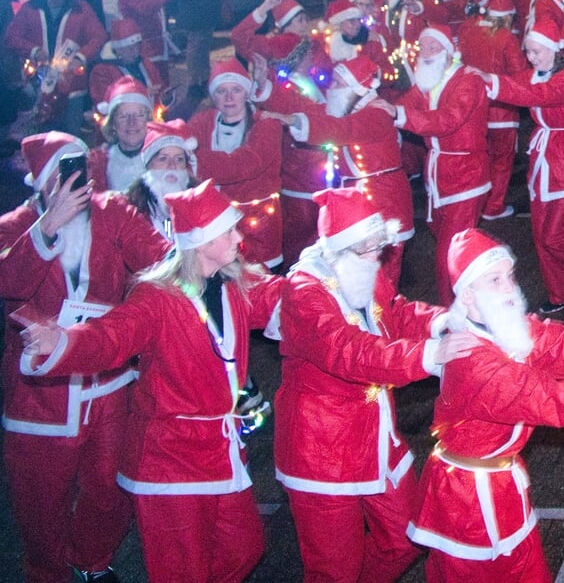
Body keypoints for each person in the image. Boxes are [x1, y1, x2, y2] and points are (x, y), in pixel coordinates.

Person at [18, 181, 288, 583]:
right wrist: (61, 342)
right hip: (168, 458)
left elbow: (285, 295)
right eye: (227, 230)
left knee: (244, 547)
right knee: (182, 569)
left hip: (220, 447)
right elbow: (111, 336)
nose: (238, 236)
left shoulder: (235, 284)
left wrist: (328, 269)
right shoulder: (157, 298)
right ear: (199, 241)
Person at [408, 229, 564, 582]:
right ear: (469, 298)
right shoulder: (473, 361)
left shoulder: (503, 326)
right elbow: (549, 399)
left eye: (509, 276)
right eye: (494, 280)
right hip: (468, 504)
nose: (509, 288)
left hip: (496, 485)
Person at [276, 188, 476, 583]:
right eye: (370, 249)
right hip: (322, 449)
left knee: (405, 538)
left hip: (376, 436)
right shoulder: (304, 292)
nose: (379, 257)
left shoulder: (361, 268)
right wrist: (428, 356)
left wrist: (443, 321)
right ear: (342, 248)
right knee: (334, 568)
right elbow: (349, 351)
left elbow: (395, 313)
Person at [0, 132, 171, 583]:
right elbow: (8, 282)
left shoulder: (113, 211)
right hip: (41, 387)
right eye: (61, 169)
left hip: (108, 374)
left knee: (109, 484)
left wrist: (191, 256)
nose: (75, 178)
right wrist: (47, 227)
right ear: (41, 181)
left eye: (78, 165)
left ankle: (91, 560)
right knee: (40, 493)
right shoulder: (16, 225)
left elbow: (156, 254)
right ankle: (48, 570)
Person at [483, 12, 564, 313]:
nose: (530, 57)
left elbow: (538, 94)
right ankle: (563, 293)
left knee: (557, 236)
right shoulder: (536, 73)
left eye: (536, 51)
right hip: (544, 160)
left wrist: (492, 84)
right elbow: (518, 83)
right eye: (528, 51)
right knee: (541, 234)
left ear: (554, 48)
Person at [389, 26, 496, 304]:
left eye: (432, 47)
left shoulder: (468, 81)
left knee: (449, 250)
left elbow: (448, 120)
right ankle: (475, 297)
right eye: (422, 47)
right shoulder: (429, 78)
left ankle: (455, 313)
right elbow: (405, 102)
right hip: (438, 174)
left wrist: (399, 115)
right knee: (442, 236)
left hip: (466, 174)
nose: (425, 53)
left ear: (448, 51)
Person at [189, 59, 289, 269]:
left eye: (236, 89)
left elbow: (247, 164)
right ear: (212, 95)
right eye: (221, 91)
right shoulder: (202, 122)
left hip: (258, 225)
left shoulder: (266, 123)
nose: (229, 98)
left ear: (246, 92)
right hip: (215, 227)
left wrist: (193, 159)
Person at [4, 0, 105, 134]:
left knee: (71, 135)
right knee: (40, 135)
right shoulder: (30, 9)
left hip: (72, 83)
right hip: (40, 84)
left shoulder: (81, 8)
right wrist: (34, 51)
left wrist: (80, 57)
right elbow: (11, 38)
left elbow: (99, 36)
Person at [458, 0, 529, 222]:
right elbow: (519, 73)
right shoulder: (506, 37)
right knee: (502, 159)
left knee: (482, 157)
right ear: (508, 17)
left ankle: (477, 202)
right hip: (502, 108)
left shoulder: (468, 32)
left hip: (474, 107)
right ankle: (493, 206)